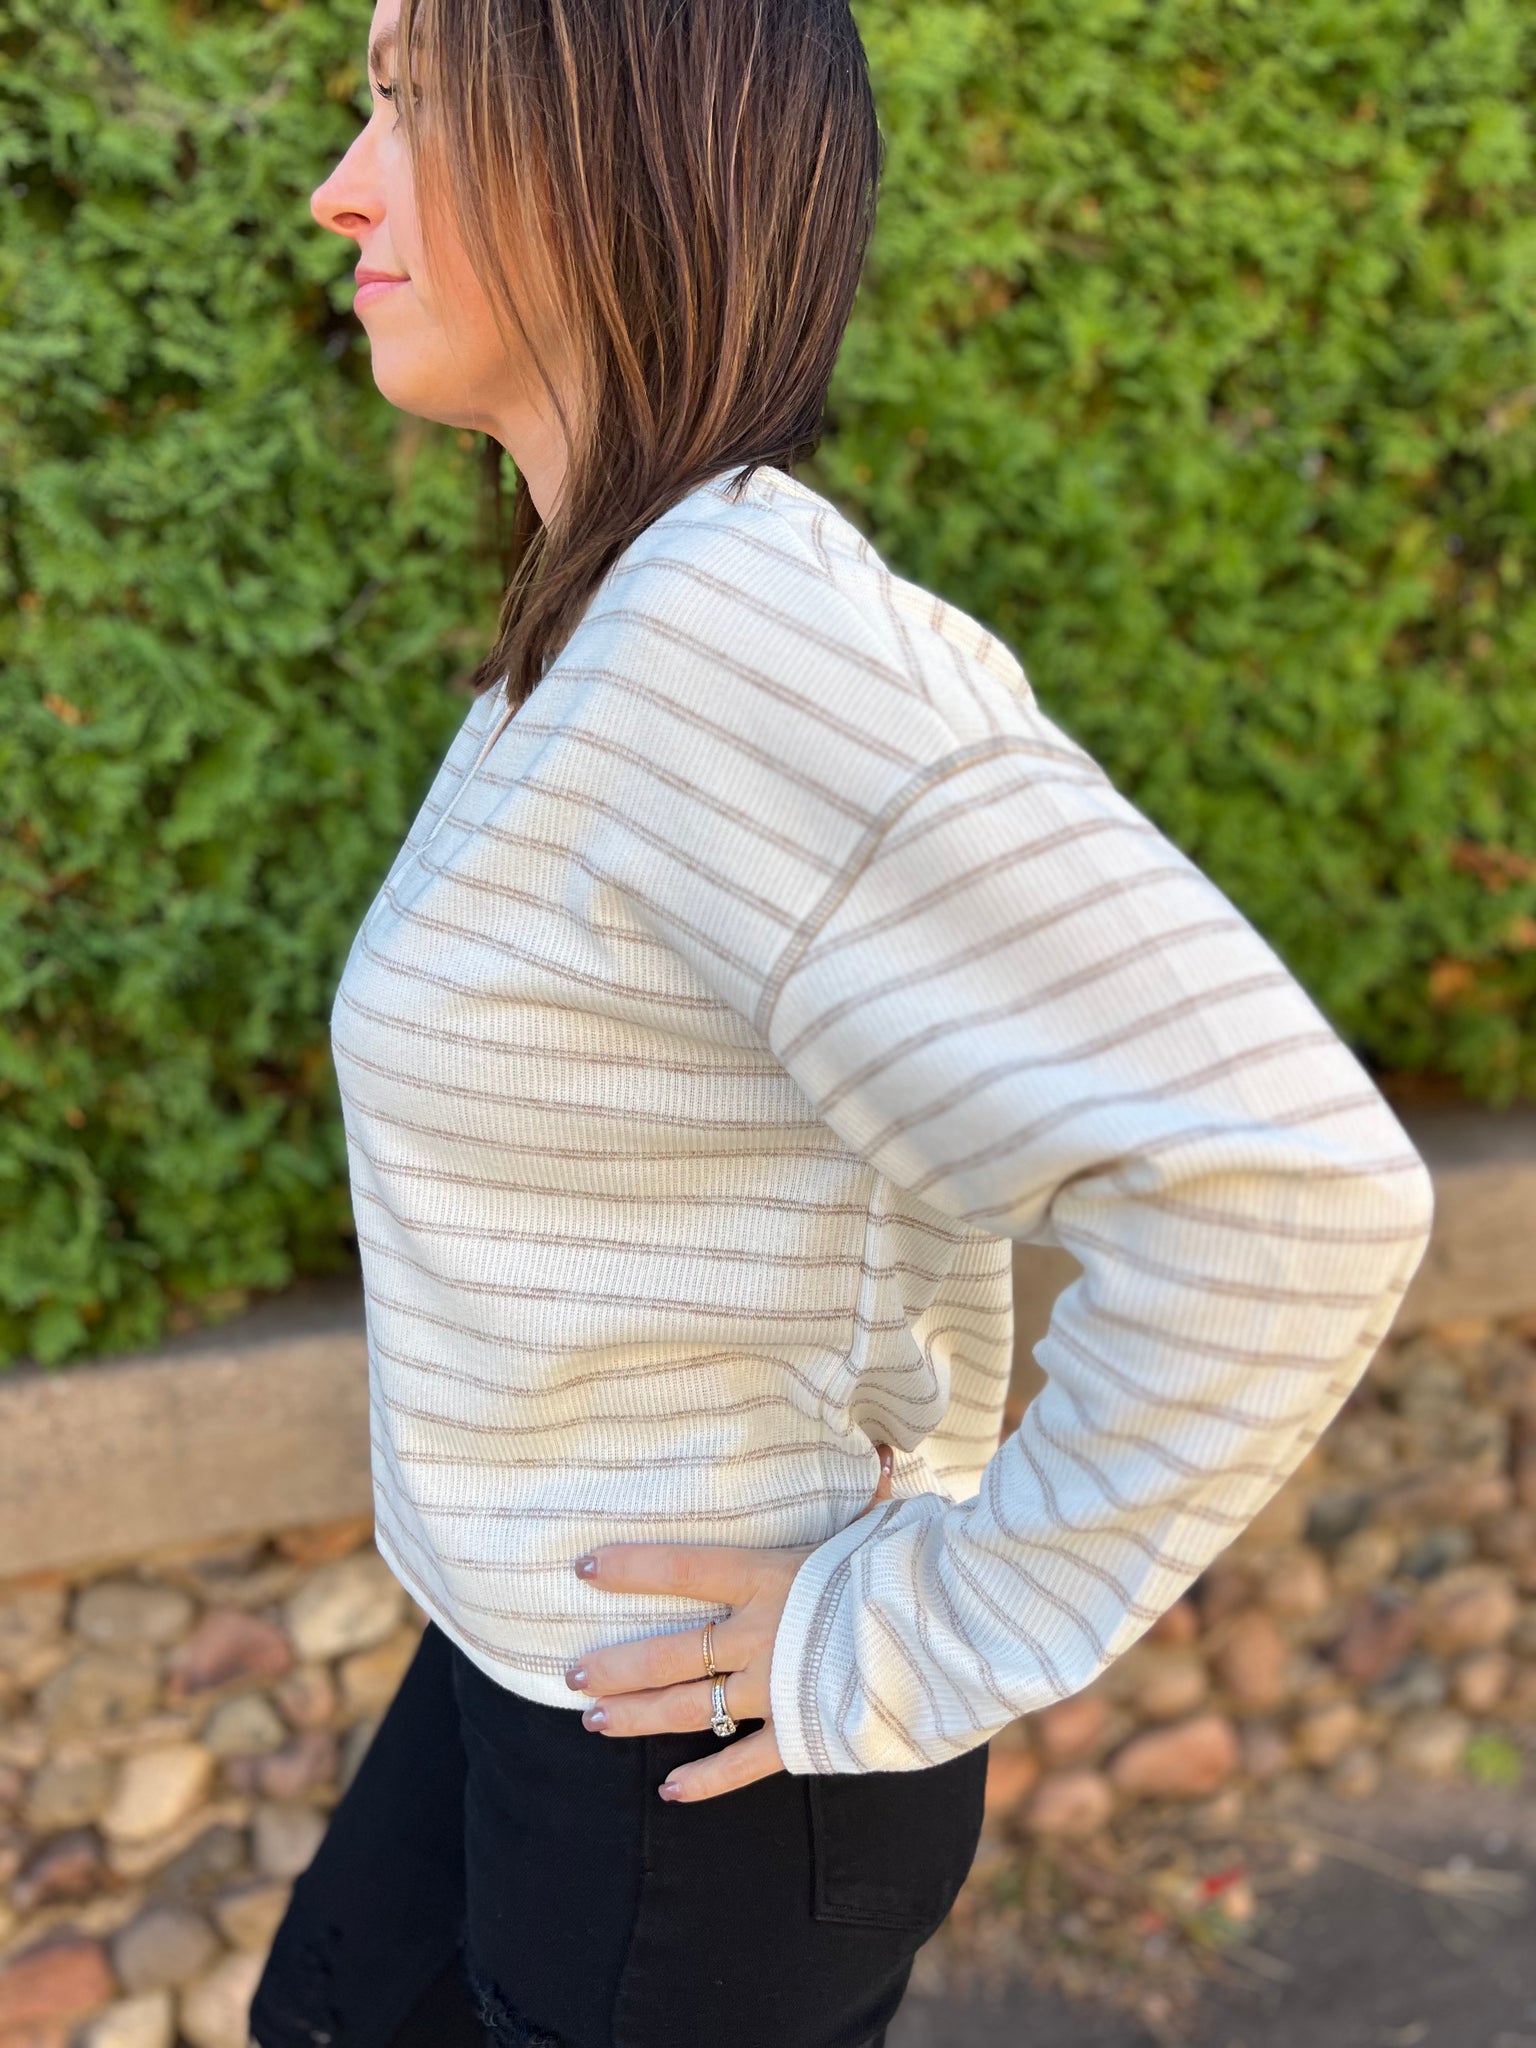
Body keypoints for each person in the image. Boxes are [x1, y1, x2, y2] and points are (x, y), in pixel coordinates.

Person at [252, 1, 1435, 2042]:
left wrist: (928, 1629)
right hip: (527, 1667)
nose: (341, 189)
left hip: (699, 1779)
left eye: (418, 100)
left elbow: (1292, 1187)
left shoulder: (741, 630)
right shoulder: (605, 614)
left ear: (622, 153)